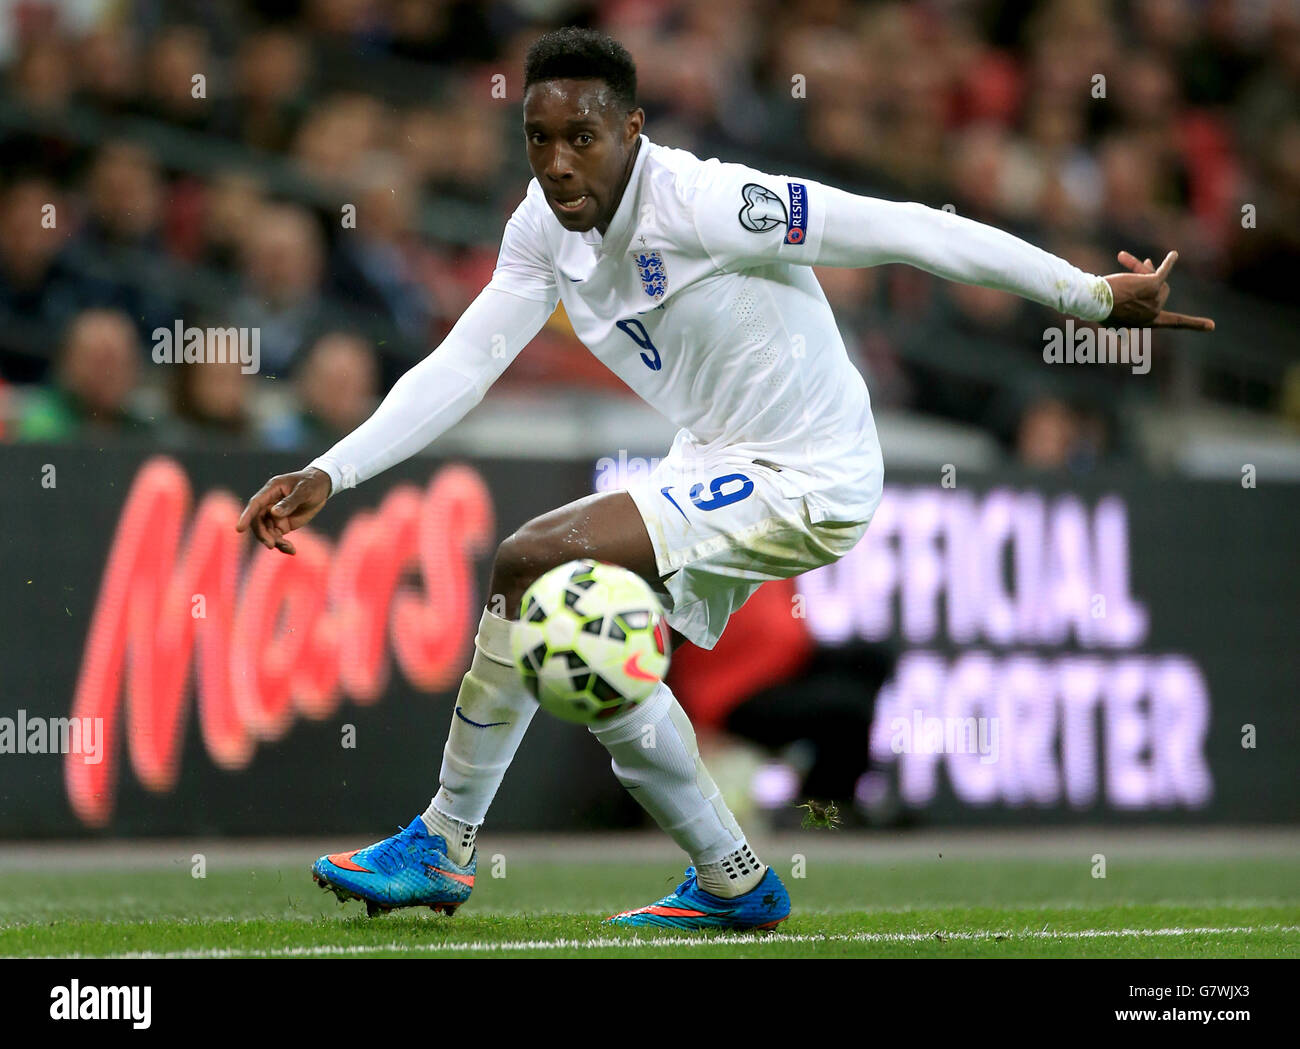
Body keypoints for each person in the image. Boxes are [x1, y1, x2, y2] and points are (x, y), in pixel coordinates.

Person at [237, 28, 1213, 931]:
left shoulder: (708, 202)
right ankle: (728, 876)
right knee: (577, 631)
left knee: (531, 559)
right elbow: (467, 359)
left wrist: (1084, 294)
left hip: (813, 471)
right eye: (538, 137)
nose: (558, 161)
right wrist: (335, 465)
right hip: (714, 459)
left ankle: (445, 842)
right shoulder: (541, 224)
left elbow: (906, 227)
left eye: (581, 135)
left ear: (632, 128)